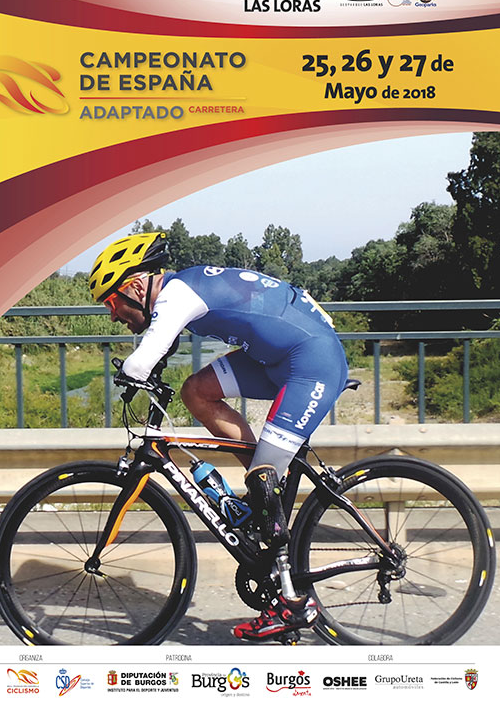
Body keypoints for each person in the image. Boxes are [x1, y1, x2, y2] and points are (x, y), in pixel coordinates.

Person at [89, 231, 349, 641]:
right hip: (274, 358)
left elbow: (145, 356)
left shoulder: (176, 294)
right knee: (197, 391)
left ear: (135, 287)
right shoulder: (181, 289)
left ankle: (291, 603)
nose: (112, 316)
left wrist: (130, 373)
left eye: (110, 303)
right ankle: (265, 497)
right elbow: (164, 344)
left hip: (310, 362)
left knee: (263, 476)